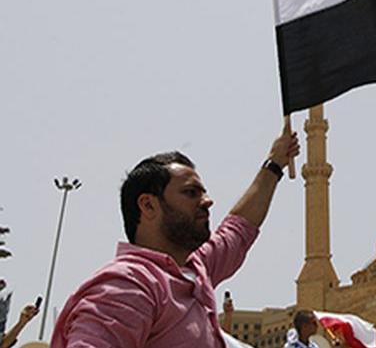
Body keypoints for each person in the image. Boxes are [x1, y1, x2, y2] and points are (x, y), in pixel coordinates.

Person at [51, 120, 300, 347]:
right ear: (148, 205)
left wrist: (275, 163)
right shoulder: (128, 286)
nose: (208, 201)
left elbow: (238, 228)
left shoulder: (195, 269)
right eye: (191, 193)